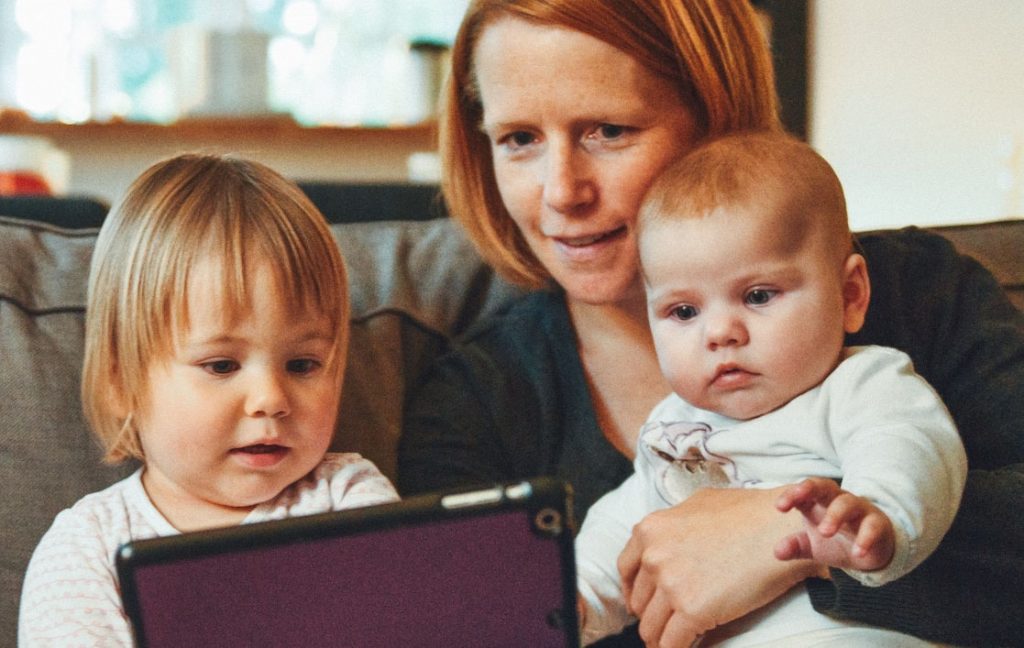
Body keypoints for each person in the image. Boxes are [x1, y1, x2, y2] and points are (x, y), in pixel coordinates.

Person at [397, 1, 1024, 646]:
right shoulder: (473, 403)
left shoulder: (920, 296)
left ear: (715, 115)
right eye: (519, 139)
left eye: (608, 131)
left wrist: (790, 544)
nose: (562, 191)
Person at [575, 131, 968, 645]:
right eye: (684, 311)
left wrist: (878, 516)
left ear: (850, 295)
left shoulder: (860, 384)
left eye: (758, 295)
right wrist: (573, 600)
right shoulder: (672, 428)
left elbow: (909, 446)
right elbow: (627, 528)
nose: (720, 333)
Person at [18, 154, 399, 646]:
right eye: (221, 366)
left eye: (302, 365)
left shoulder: (351, 500)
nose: (270, 400)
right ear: (120, 382)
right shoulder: (87, 548)